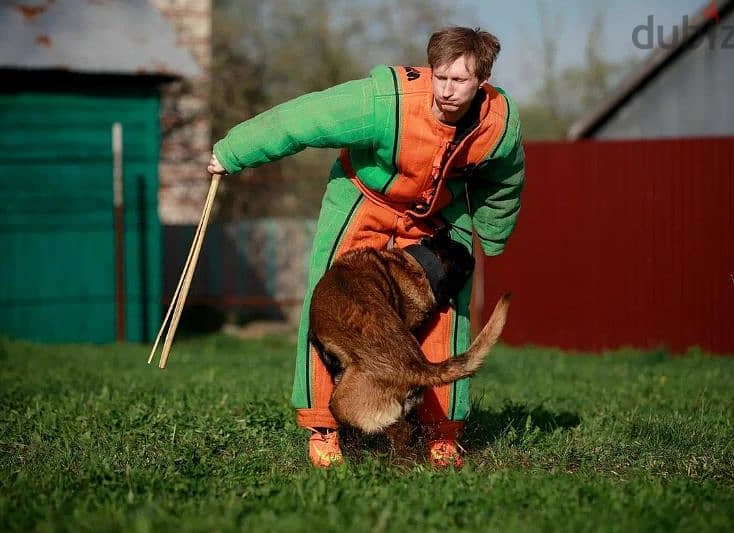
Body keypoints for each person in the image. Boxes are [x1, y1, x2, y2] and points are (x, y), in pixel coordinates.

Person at [208, 26, 525, 468]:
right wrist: (233, 152)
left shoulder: (498, 125)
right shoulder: (386, 102)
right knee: (330, 306)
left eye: (460, 81)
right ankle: (323, 428)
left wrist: (492, 233)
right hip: (364, 202)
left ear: (482, 80)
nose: (447, 90)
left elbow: (504, 181)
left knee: (449, 318)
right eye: (441, 77)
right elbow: (306, 118)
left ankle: (441, 432)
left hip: (438, 213)